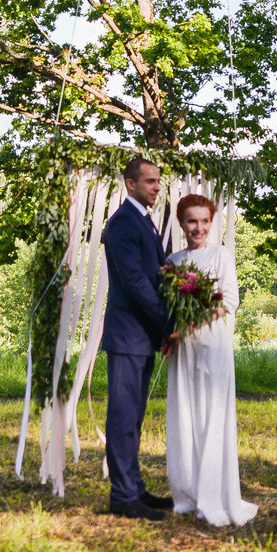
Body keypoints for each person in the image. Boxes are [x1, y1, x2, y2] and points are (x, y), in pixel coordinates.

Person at [165, 193, 258, 528]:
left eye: (204, 221)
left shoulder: (221, 254)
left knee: (211, 414)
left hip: (212, 343)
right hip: (183, 346)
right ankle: (187, 493)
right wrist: (172, 330)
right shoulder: (173, 262)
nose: (199, 228)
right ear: (181, 223)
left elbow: (229, 300)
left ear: (212, 222)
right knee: (185, 413)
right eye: (192, 221)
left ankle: (214, 495)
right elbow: (167, 304)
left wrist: (193, 322)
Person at [100, 155, 177, 520]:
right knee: (123, 417)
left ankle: (135, 488)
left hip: (141, 336)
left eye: (158, 181)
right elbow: (135, 283)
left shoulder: (142, 219)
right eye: (150, 181)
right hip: (127, 335)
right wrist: (167, 323)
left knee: (133, 418)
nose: (157, 187)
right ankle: (123, 497)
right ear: (130, 184)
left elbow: (154, 277)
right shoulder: (122, 223)